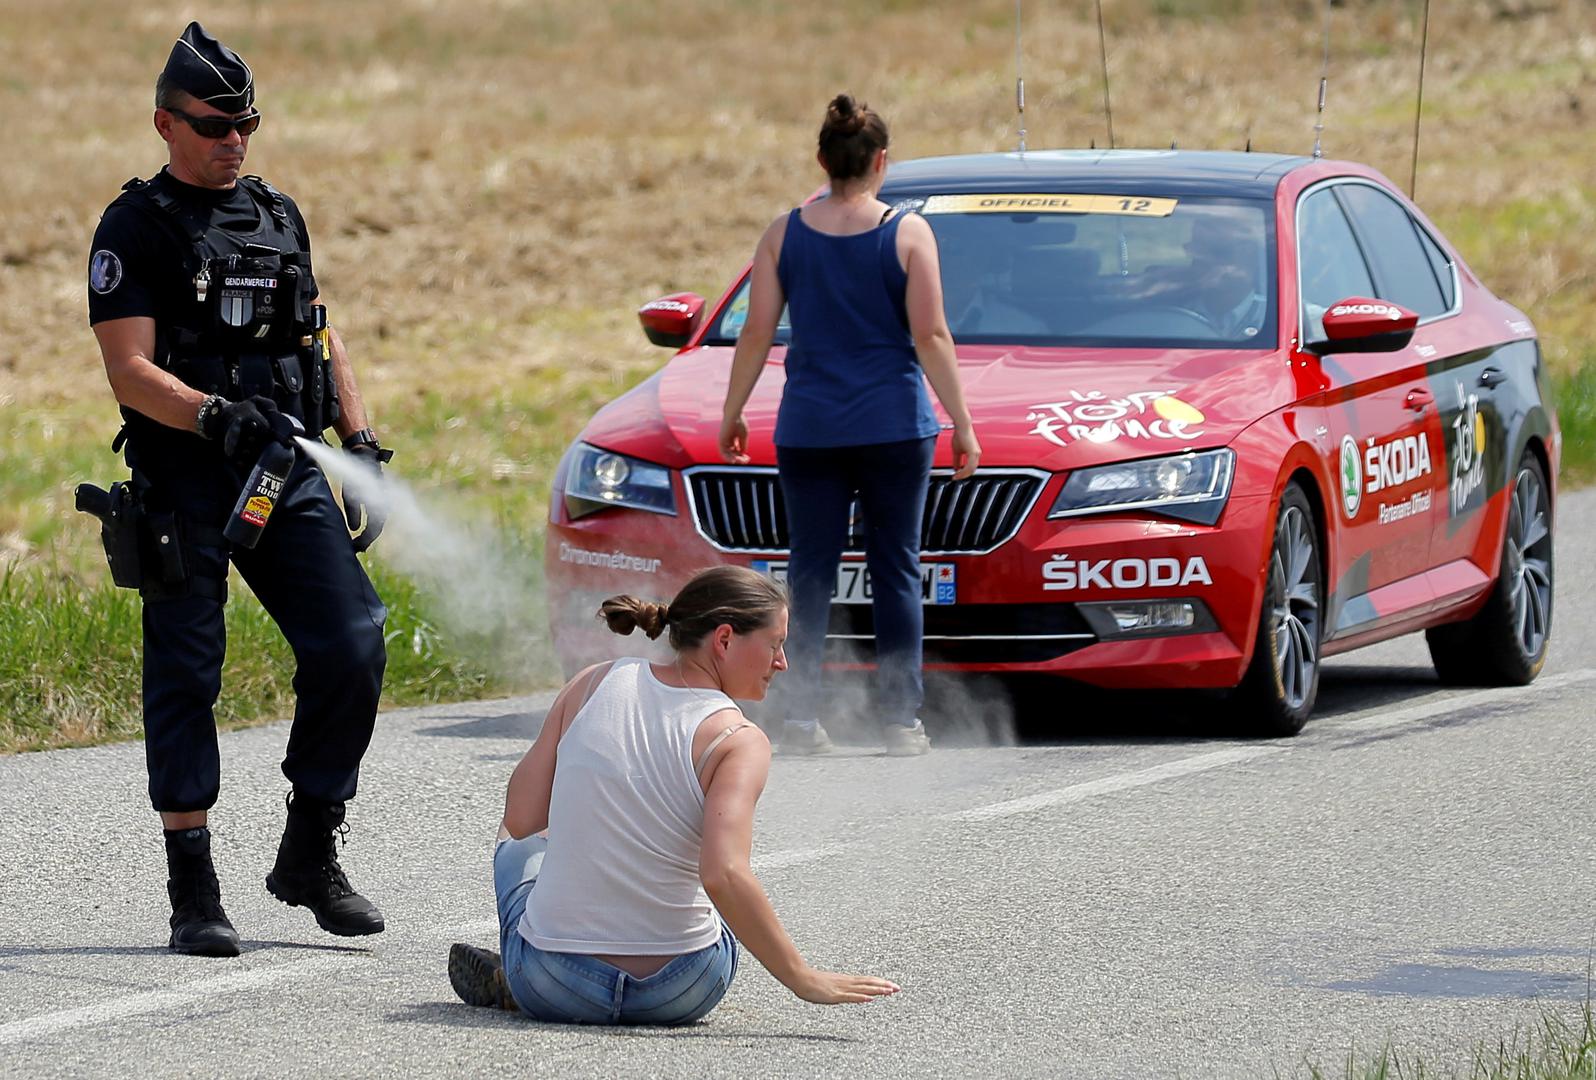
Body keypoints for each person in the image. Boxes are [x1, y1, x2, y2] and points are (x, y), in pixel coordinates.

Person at [86, 22, 393, 957]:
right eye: (215, 124)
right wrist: (213, 415)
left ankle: (308, 852)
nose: (233, 140)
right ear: (164, 123)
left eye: (246, 124)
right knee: (189, 676)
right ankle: (194, 893)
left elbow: (319, 334)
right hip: (188, 480)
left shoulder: (277, 214)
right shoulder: (132, 227)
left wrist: (359, 438)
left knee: (354, 642)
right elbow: (130, 370)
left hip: (286, 472)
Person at [448, 566, 900, 1024]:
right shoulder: (739, 738)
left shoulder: (593, 683)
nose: (782, 663)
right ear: (724, 640)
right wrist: (803, 978)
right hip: (681, 987)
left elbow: (523, 819)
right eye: (775, 644)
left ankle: (518, 975)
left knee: (516, 850)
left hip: (555, 982)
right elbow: (723, 873)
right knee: (710, 903)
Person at [718, 94, 980, 757]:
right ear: (881, 162)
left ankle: (802, 720)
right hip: (895, 427)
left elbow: (755, 332)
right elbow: (932, 335)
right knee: (896, 569)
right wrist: (963, 424)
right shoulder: (909, 234)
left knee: (808, 576)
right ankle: (899, 722)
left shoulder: (784, 234)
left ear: (821, 160)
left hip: (809, 428)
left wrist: (733, 409)